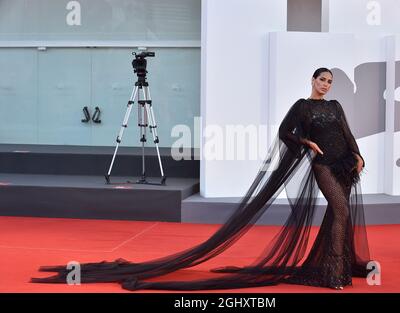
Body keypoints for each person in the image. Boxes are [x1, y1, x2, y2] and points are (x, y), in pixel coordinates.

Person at [31, 68, 371, 291]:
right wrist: (306, 143)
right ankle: (332, 272)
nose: (326, 85)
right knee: (340, 211)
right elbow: (285, 133)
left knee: (339, 213)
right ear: (313, 81)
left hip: (343, 162)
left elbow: (347, 132)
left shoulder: (336, 105)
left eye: (329, 82)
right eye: (322, 80)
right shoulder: (302, 107)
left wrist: (358, 155)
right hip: (323, 165)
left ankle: (335, 269)